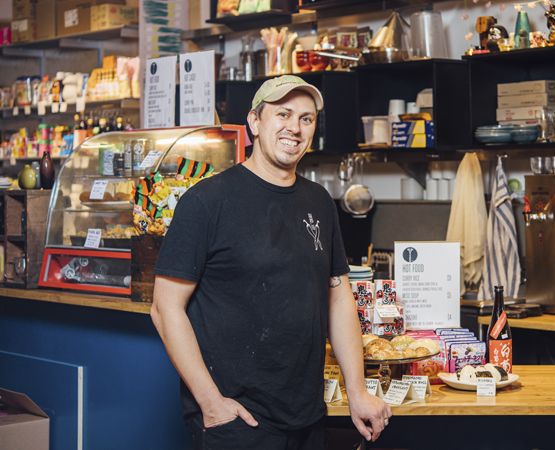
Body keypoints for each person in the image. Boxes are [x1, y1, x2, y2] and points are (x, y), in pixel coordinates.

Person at [150, 75, 391, 450]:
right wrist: (211, 403)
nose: (294, 128)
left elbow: (339, 298)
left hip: (307, 415)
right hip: (236, 421)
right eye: (283, 114)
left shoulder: (319, 202)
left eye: (306, 119)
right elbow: (165, 309)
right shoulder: (206, 202)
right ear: (255, 122)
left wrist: (357, 391)